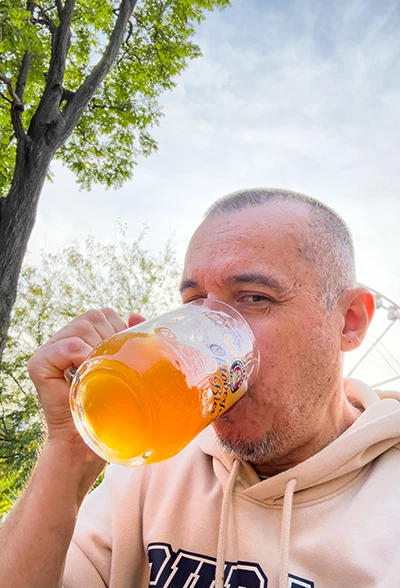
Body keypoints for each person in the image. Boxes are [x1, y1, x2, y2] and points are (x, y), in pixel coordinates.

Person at [1, 188, 399, 588]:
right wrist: (68, 456)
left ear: (349, 321)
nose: (207, 340)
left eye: (255, 298)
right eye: (195, 302)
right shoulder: (156, 467)